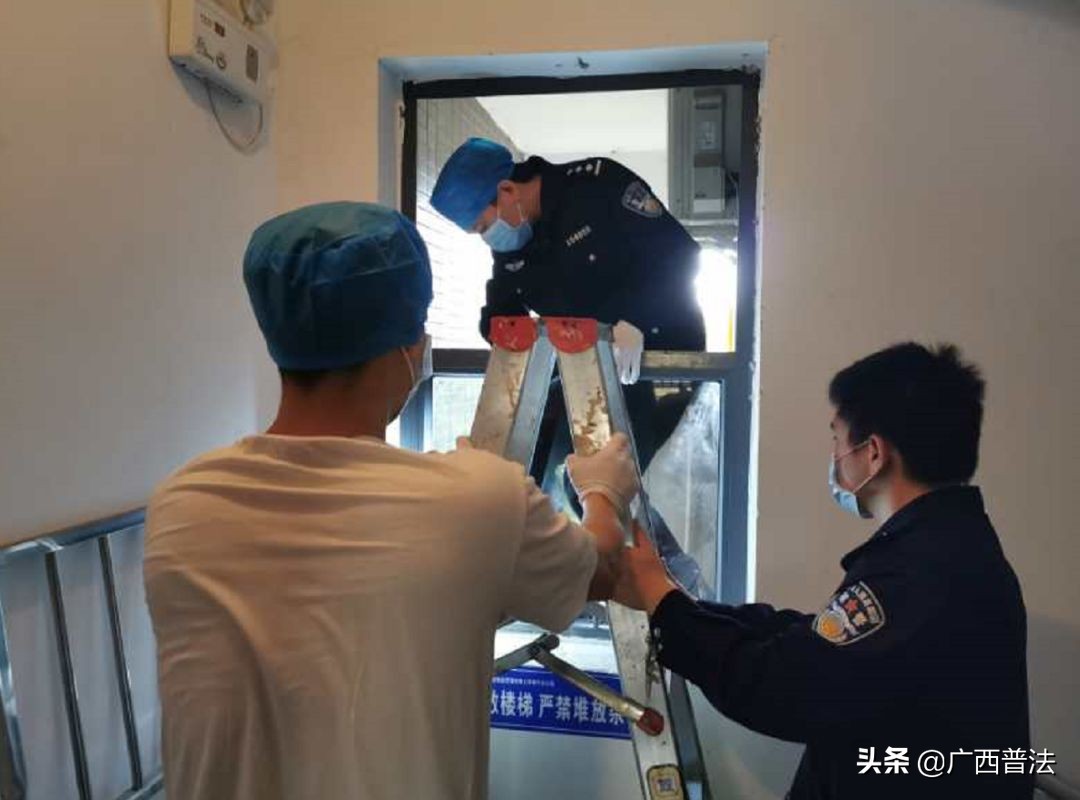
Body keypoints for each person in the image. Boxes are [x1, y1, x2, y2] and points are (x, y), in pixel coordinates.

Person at [143, 202, 638, 800]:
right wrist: (602, 490)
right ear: (402, 345)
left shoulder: (182, 505)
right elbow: (601, 569)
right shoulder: (480, 502)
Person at [613, 343, 1031, 799]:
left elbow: (783, 687)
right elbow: (815, 639)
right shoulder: (948, 547)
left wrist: (661, 601)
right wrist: (691, 608)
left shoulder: (918, 573)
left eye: (837, 439)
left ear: (874, 453)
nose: (835, 455)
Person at [432, 137, 708, 591]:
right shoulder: (516, 238)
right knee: (534, 475)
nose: (489, 238)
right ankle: (528, 585)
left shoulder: (596, 188)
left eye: (483, 227)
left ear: (506, 191)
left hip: (655, 364)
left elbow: (679, 255)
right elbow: (502, 304)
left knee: (598, 490)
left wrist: (639, 319)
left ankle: (672, 587)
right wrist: (501, 329)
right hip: (587, 371)